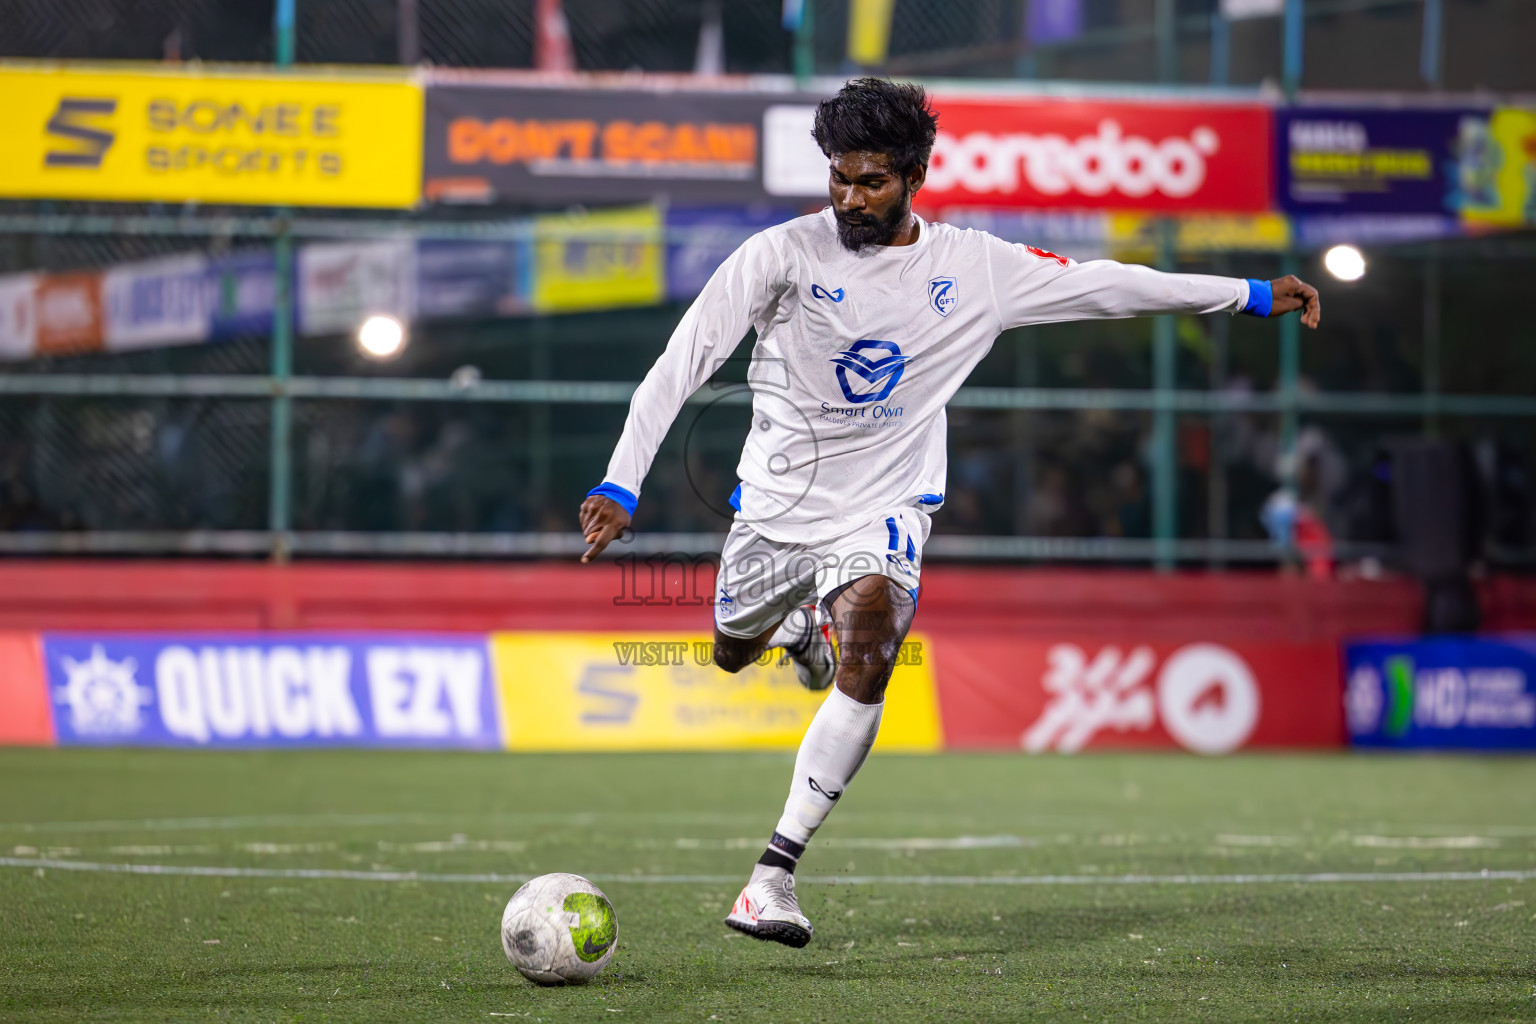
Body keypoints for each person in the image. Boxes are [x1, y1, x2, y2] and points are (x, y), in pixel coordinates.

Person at [578, 77, 1321, 948]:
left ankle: (771, 877)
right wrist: (620, 483)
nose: (850, 199)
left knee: (875, 636)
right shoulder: (777, 256)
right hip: (775, 510)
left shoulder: (975, 270)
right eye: (839, 179)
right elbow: (680, 363)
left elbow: (1109, 285)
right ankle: (793, 640)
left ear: (914, 176)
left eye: (871, 183)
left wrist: (1250, 296)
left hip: (886, 505)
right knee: (732, 649)